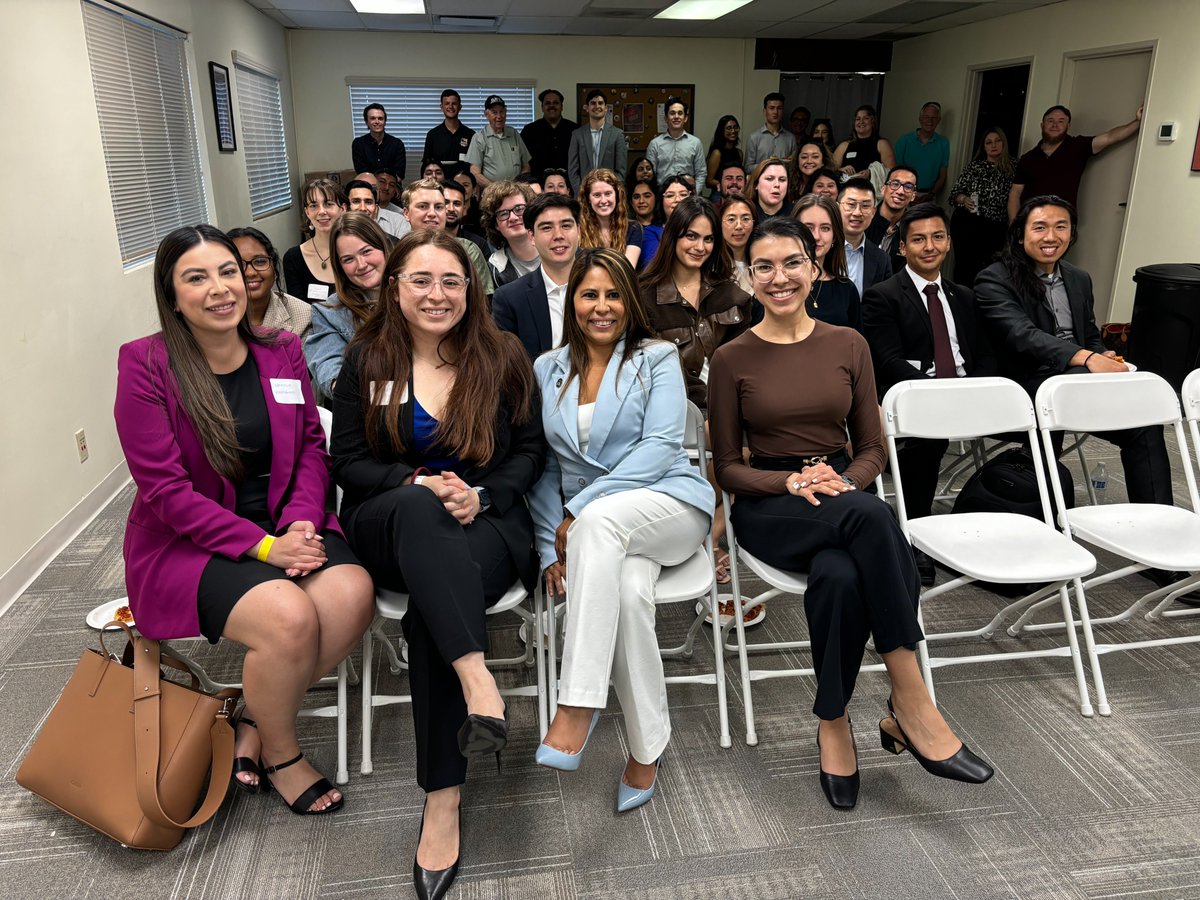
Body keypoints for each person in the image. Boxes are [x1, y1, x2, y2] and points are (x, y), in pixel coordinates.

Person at [708, 216, 994, 811]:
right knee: (871, 519)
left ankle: (833, 721)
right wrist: (790, 479)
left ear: (815, 269)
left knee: (840, 572)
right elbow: (728, 468)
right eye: (764, 265)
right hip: (769, 503)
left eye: (792, 262)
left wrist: (840, 480)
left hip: (841, 487)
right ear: (748, 274)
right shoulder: (732, 356)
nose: (779, 277)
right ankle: (910, 699)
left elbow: (872, 448)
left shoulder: (848, 343)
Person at [115, 224, 374, 815]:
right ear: (171, 293)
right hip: (187, 541)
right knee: (288, 617)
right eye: (196, 278)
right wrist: (264, 549)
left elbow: (312, 445)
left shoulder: (279, 349)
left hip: (287, 521)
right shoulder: (146, 366)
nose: (220, 289)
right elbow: (166, 493)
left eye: (228, 271)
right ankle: (283, 754)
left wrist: (304, 523)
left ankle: (252, 717)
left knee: (352, 594)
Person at [330, 229, 544, 900]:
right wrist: (417, 483)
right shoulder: (367, 358)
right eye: (420, 280)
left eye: (451, 281)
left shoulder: (503, 354)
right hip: (390, 522)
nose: (437, 294)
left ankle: (442, 799)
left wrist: (481, 493)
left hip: (483, 525)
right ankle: (478, 680)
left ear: (471, 289)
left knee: (432, 613)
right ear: (394, 287)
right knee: (421, 513)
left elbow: (529, 452)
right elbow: (348, 462)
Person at [529, 248, 713, 814]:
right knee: (630, 600)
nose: (602, 306)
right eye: (590, 294)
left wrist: (580, 509)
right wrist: (547, 548)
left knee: (601, 523)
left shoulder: (656, 357)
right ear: (572, 302)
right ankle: (646, 748)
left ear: (629, 302)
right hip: (600, 534)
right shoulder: (547, 368)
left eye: (613, 294)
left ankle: (578, 702)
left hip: (669, 504)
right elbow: (546, 468)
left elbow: (661, 448)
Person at [976, 196, 1175, 510]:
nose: (1051, 237)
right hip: (1023, 386)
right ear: (1020, 234)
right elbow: (1023, 336)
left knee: (1144, 420)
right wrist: (1087, 358)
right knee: (1073, 383)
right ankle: (1044, 512)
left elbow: (1090, 335)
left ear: (1072, 234)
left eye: (1061, 227)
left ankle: (1159, 521)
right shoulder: (994, 279)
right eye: (1040, 228)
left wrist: (1102, 355)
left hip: (1078, 385)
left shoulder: (1078, 278)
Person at [861, 203, 994, 581]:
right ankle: (916, 535)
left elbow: (984, 356)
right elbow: (887, 360)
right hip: (916, 398)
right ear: (902, 247)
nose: (929, 246)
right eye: (918, 239)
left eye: (937, 237)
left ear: (949, 242)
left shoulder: (965, 296)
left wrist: (974, 388)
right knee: (928, 441)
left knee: (1031, 429)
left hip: (969, 396)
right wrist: (935, 392)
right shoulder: (882, 295)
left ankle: (1004, 517)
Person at [639, 197, 751, 409]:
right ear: (673, 236)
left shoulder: (733, 297)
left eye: (708, 239)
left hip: (731, 408)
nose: (700, 247)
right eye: (691, 236)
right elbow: (650, 371)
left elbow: (742, 366)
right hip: (671, 411)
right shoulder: (645, 298)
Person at [304, 213, 390, 400]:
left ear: (383, 247)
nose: (361, 265)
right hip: (366, 407)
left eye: (367, 251)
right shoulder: (328, 311)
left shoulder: (413, 294)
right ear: (339, 266)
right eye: (348, 259)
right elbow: (328, 363)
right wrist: (341, 387)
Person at [1008, 104, 1143, 220]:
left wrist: (1137, 122)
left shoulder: (1078, 146)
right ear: (1042, 125)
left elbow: (1110, 137)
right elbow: (1015, 193)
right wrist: (1014, 224)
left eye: (1061, 121)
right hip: (1030, 221)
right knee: (1022, 251)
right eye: (1050, 120)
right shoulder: (1028, 158)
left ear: (1068, 126)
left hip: (1061, 222)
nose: (1055, 124)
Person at [492, 192, 581, 359]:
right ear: (531, 236)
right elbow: (508, 369)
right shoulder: (510, 299)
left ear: (579, 231)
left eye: (566, 225)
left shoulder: (608, 285)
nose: (558, 235)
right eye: (547, 228)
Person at [402, 178, 495, 299]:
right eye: (423, 206)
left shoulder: (468, 250)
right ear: (406, 213)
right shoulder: (395, 251)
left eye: (439, 207)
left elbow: (483, 303)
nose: (432, 213)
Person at [948, 127, 1015, 285]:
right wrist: (964, 199)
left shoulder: (1014, 168)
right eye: (989, 142)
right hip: (968, 222)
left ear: (1004, 143)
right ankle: (960, 302)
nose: (993, 145)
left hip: (996, 226)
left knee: (991, 268)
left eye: (998, 141)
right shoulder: (974, 167)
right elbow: (953, 194)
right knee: (965, 268)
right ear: (983, 147)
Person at [227, 226, 312, 338]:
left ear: (274, 268)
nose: (250, 272)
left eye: (260, 261)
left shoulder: (304, 315)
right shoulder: (213, 317)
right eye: (238, 264)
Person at [794, 194, 861, 330]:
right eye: (808, 227)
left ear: (835, 236)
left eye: (825, 228)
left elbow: (857, 343)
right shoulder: (778, 284)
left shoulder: (846, 289)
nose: (816, 237)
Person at [283, 178, 346, 303]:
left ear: (343, 209)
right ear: (307, 212)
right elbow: (299, 311)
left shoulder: (356, 252)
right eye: (313, 206)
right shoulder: (293, 258)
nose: (321, 211)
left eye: (328, 204)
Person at [479, 180, 540, 288]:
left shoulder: (557, 248)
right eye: (503, 214)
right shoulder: (495, 267)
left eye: (519, 209)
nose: (513, 218)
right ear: (496, 225)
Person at [578, 168, 643, 267]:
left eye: (608, 193)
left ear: (616, 196)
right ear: (588, 199)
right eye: (597, 195)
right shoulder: (579, 230)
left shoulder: (633, 228)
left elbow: (627, 270)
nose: (603, 200)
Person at [838, 177, 891, 299]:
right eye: (851, 204)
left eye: (865, 206)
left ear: (873, 212)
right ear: (837, 207)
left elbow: (883, 305)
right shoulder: (822, 249)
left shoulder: (882, 260)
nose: (857, 212)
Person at [567, 90, 628, 192]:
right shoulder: (577, 135)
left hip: (608, 194)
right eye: (593, 103)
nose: (597, 106)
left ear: (606, 108)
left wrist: (613, 192)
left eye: (600, 103)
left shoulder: (617, 135)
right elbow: (573, 169)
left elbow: (621, 171)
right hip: (584, 193)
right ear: (587, 108)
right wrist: (580, 191)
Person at [866, 164, 920, 276]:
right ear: (883, 189)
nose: (900, 191)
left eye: (908, 187)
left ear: (913, 196)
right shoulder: (864, 219)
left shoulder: (914, 231)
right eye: (895, 184)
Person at [466, 95, 531, 189]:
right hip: (491, 193)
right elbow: (475, 173)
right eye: (494, 112)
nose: (499, 116)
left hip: (516, 191)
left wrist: (517, 186)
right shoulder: (479, 138)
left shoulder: (514, 133)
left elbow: (526, 166)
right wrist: (496, 189)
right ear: (486, 114)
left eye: (502, 112)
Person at [645, 97, 706, 189]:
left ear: (685, 118)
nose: (676, 117)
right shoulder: (655, 144)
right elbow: (649, 175)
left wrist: (695, 193)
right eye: (672, 113)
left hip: (688, 195)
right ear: (666, 118)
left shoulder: (695, 143)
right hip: (663, 195)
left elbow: (701, 173)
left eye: (680, 113)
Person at [893, 102, 950, 199]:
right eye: (926, 117)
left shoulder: (943, 143)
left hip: (928, 196)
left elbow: (942, 176)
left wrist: (931, 194)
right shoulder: (904, 141)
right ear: (920, 119)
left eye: (934, 118)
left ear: (938, 120)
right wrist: (908, 194)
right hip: (904, 193)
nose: (930, 121)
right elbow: (895, 172)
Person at [521, 88, 578, 178]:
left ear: (562, 107)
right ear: (542, 107)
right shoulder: (529, 131)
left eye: (556, 103)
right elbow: (523, 161)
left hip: (569, 186)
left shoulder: (575, 130)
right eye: (547, 103)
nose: (552, 106)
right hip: (538, 187)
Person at [423, 89, 475, 176]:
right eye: (447, 103)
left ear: (460, 107)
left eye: (454, 103)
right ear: (441, 107)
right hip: (439, 183)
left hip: (463, 184)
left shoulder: (471, 134)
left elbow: (474, 165)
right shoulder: (433, 135)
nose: (450, 106)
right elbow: (426, 164)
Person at [834, 105, 896, 177]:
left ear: (873, 122)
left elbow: (891, 171)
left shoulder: (882, 144)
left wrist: (871, 173)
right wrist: (841, 170)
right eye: (858, 119)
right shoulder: (844, 145)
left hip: (872, 187)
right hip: (847, 186)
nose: (861, 122)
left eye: (866, 118)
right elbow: (831, 170)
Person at [744, 92, 796, 173]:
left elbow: (794, 166)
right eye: (772, 108)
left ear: (783, 111)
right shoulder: (754, 137)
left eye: (779, 108)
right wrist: (768, 165)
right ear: (765, 111)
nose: (775, 112)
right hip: (760, 183)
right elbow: (747, 168)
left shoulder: (791, 138)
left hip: (783, 182)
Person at [351, 102, 406, 177]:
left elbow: (399, 174)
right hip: (369, 186)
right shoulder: (358, 144)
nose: (377, 122)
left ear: (385, 121)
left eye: (380, 118)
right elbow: (362, 173)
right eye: (373, 118)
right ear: (366, 122)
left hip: (392, 186)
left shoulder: (397, 144)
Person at [347, 175, 409, 239]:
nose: (363, 208)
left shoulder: (398, 221)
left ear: (376, 206)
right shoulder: (341, 227)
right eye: (356, 202)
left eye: (368, 202)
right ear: (346, 207)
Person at [441, 178, 490, 259]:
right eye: (446, 202)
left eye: (457, 204)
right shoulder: (426, 241)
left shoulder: (478, 244)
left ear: (464, 209)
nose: (451, 209)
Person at [721, 196, 757, 297]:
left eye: (746, 219)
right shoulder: (714, 266)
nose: (739, 226)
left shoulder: (763, 260)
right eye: (731, 219)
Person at [628, 178, 662, 270]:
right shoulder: (625, 228)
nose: (641, 201)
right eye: (636, 197)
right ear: (631, 202)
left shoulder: (664, 228)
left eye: (647, 196)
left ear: (656, 198)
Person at [705, 115, 743, 196]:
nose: (733, 131)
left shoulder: (739, 153)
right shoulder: (717, 153)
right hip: (719, 193)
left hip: (736, 193)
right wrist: (727, 184)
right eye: (729, 128)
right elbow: (708, 181)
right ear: (722, 131)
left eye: (735, 127)